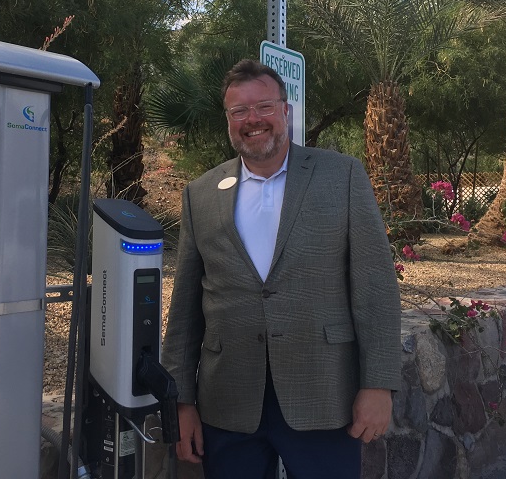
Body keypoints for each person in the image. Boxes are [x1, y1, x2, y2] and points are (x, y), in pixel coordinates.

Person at [161, 59, 402, 479]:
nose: (252, 119)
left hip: (323, 397)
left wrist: (378, 384)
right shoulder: (200, 194)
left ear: (286, 112)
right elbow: (185, 309)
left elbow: (375, 289)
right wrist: (180, 402)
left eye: (264, 106)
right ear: (229, 121)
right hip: (228, 401)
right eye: (239, 111)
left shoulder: (341, 176)